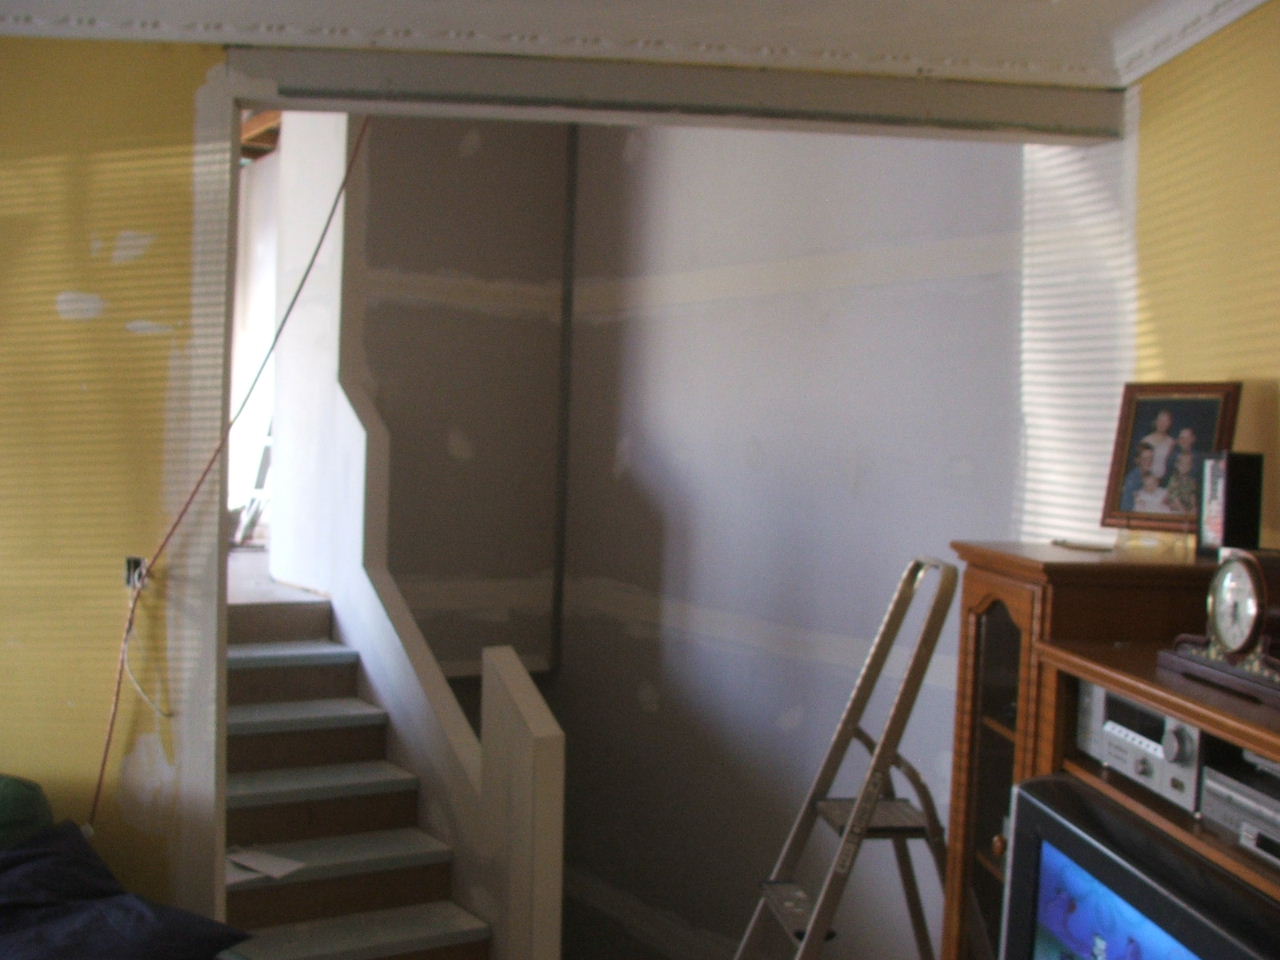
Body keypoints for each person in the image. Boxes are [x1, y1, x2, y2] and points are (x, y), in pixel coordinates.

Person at [1140, 409, 1176, 478]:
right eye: (1160, 420)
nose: (1162, 424)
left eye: (1165, 421)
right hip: (1146, 478)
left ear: (1169, 423)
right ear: (1155, 422)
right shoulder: (1146, 440)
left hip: (1164, 478)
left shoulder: (1171, 442)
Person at [1120, 444, 1155, 511]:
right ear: (1137, 460)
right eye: (1145, 459)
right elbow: (1126, 506)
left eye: (1151, 458)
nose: (1149, 461)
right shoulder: (1132, 480)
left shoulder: (1149, 474)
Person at [1164, 450, 1198, 514]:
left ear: (1191, 466)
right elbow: (1175, 498)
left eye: (1188, 464)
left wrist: (1193, 507)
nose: (1185, 467)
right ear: (1176, 464)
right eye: (1182, 464)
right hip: (1176, 509)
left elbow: (1192, 495)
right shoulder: (1174, 479)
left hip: (1187, 508)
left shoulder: (1191, 481)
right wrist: (1184, 512)